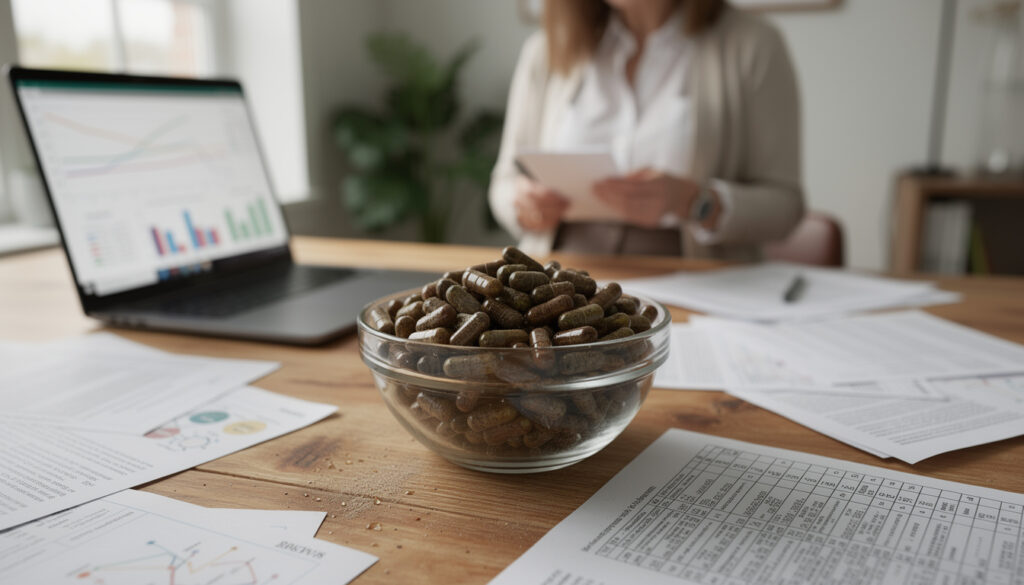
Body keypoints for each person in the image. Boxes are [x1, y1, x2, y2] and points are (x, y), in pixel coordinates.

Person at [488, 0, 804, 258]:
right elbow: (504, 182)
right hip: (561, 277)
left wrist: (693, 202)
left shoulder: (753, 45)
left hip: (690, 275)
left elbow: (785, 207)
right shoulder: (545, 50)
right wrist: (522, 202)